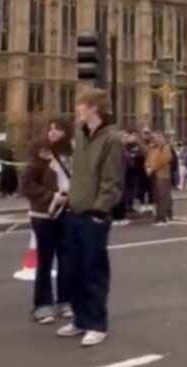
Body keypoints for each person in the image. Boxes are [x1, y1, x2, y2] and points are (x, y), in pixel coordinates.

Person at [56, 89, 124, 347]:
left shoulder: (111, 140)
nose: (77, 110)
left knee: (93, 272)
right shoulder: (81, 135)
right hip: (74, 210)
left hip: (94, 215)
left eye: (81, 106)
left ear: (94, 108)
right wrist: (70, 194)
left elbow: (111, 181)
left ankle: (96, 323)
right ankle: (80, 319)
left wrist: (99, 211)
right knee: (73, 270)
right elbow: (80, 173)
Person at [21, 138, 73, 324]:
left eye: (58, 129)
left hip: (65, 214)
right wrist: (51, 197)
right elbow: (28, 186)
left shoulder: (64, 161)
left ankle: (65, 300)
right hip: (43, 216)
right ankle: (43, 305)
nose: (54, 133)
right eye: (51, 129)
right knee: (45, 261)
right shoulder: (35, 164)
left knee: (66, 260)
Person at [146, 132, 174, 226]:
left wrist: (152, 167)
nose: (156, 139)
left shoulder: (165, 147)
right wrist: (147, 167)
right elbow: (148, 160)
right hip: (154, 175)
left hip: (162, 175)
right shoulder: (152, 149)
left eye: (159, 137)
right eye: (155, 138)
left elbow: (164, 159)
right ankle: (160, 216)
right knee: (157, 196)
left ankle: (162, 218)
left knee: (163, 197)